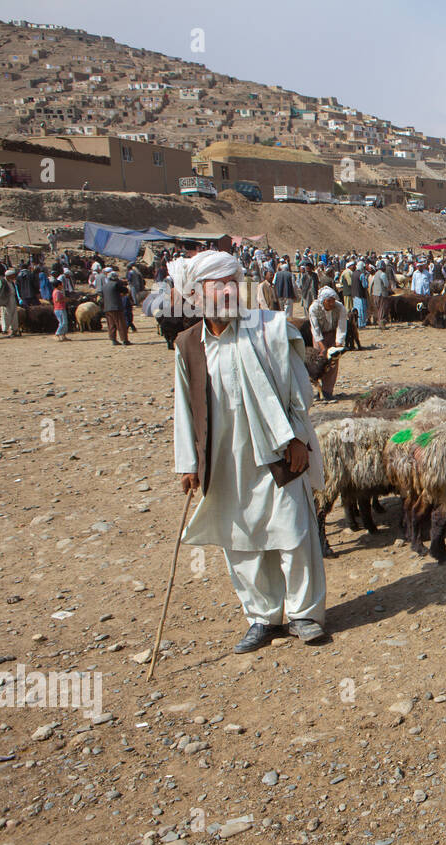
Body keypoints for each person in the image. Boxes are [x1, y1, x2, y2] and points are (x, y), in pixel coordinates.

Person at [171, 250, 327, 654]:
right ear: (196, 292)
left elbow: (299, 392)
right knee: (240, 539)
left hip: (277, 449)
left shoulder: (269, 329)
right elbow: (183, 408)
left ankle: (304, 614)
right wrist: (188, 463)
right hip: (224, 458)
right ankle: (262, 617)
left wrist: (296, 440)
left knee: (294, 533)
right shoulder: (189, 344)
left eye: (230, 282)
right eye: (215, 284)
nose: (225, 291)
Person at [307, 287, 348, 399]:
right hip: (319, 336)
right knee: (319, 362)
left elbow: (342, 326)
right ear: (323, 301)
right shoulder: (314, 308)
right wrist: (322, 346)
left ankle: (327, 391)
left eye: (333, 300)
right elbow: (315, 329)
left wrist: (339, 343)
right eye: (328, 301)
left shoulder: (340, 308)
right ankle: (319, 391)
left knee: (333, 364)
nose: (331, 303)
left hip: (333, 334)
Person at [102, 268, 130, 345]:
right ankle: (124, 340)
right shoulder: (116, 284)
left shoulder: (104, 286)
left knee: (111, 324)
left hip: (107, 308)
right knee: (121, 324)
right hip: (116, 307)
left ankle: (113, 340)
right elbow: (125, 290)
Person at [369, 262, 391, 328]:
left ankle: (378, 321)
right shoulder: (382, 274)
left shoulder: (375, 274)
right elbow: (386, 284)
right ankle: (382, 324)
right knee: (382, 308)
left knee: (378, 308)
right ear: (383, 267)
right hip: (381, 294)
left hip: (375, 293)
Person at [0, 269, 18, 336]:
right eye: (12, 276)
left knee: (14, 314)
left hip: (12, 299)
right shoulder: (2, 281)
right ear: (8, 276)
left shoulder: (11, 282)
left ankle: (14, 329)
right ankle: (5, 330)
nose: (14, 277)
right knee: (5, 315)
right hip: (5, 300)